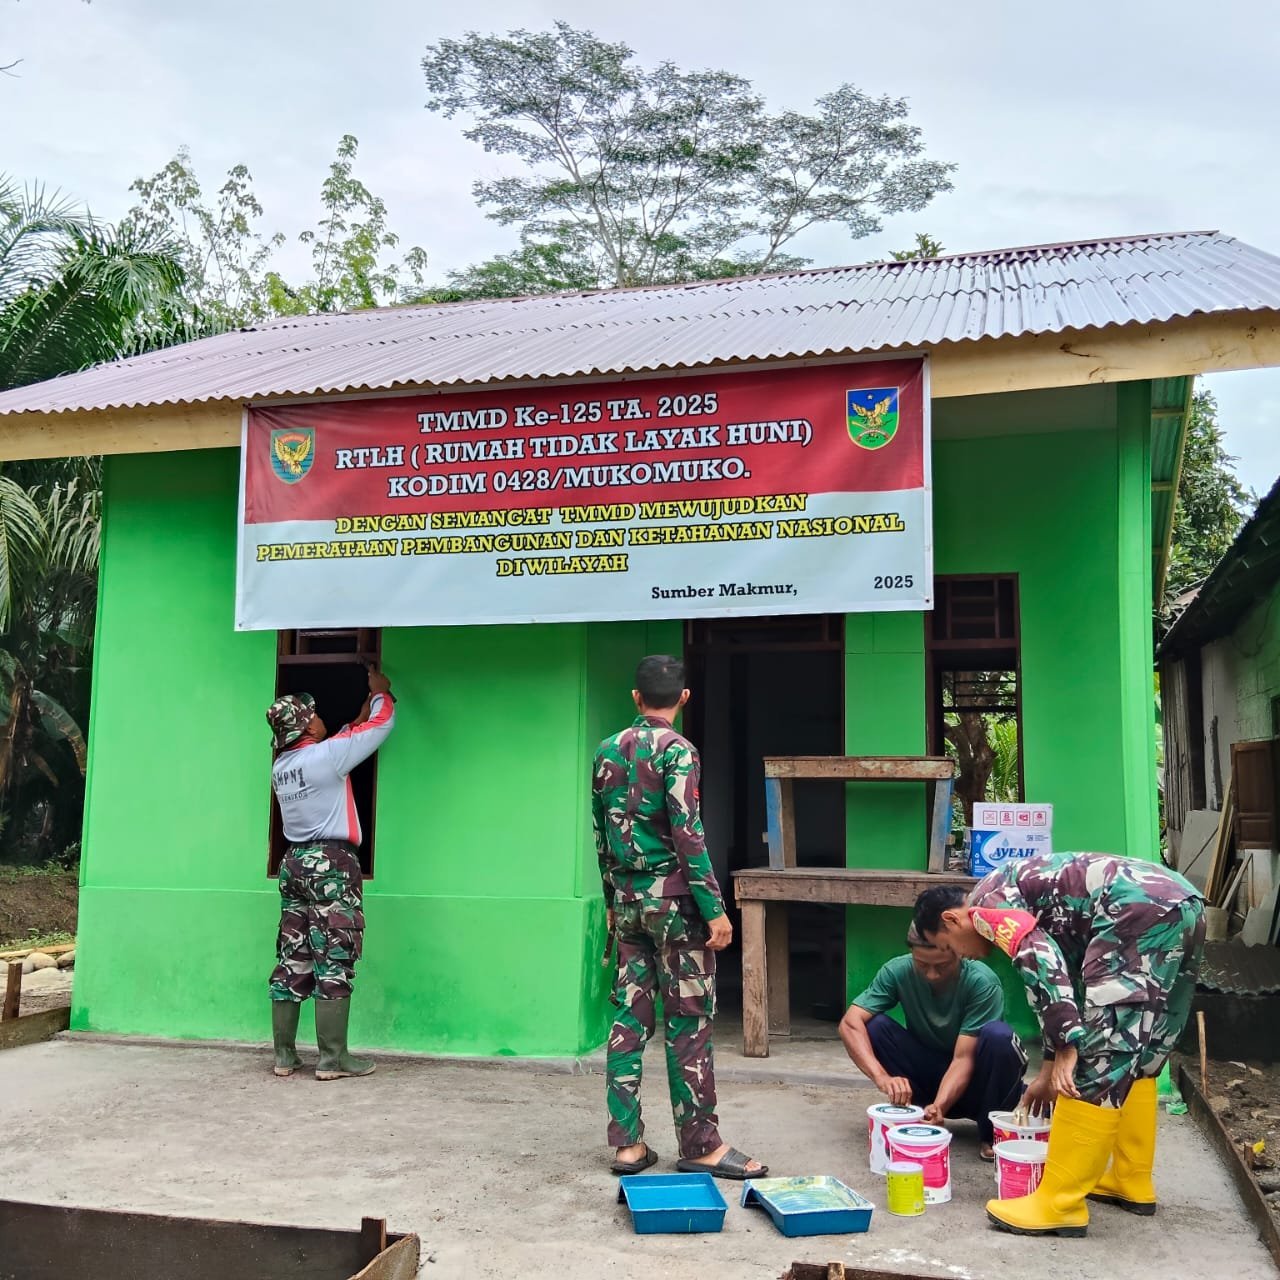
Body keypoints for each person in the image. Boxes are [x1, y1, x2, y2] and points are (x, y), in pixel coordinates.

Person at [915, 851, 1205, 1237]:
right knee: (1143, 1049)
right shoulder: (1019, 890)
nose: (961, 956)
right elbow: (1069, 978)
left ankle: (1059, 1202)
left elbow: (1039, 959)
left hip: (1136, 909)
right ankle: (1130, 1178)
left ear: (952, 919)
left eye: (950, 947)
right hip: (1180, 902)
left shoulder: (986, 907)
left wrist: (1069, 1049)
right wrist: (1048, 1069)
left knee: (1098, 1056)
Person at [592, 654, 767, 1181]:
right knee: (689, 1023)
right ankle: (701, 1145)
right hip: (674, 906)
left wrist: (610, 902)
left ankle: (627, 1145)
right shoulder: (679, 751)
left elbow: (601, 835)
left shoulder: (606, 751)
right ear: (684, 698)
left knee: (628, 1019)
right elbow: (688, 834)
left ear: (635, 698)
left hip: (626, 903)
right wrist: (716, 909)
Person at [265, 665, 396, 1081]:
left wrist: (352, 719)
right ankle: (332, 1059)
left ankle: (284, 1056)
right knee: (334, 958)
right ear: (305, 724)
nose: (321, 717)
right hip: (331, 866)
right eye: (314, 713)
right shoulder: (327, 756)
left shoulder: (283, 766)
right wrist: (381, 693)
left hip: (294, 863)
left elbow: (346, 735)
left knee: (293, 957)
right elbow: (380, 725)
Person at [839, 918, 1026, 1159]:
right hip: (928, 1075)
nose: (932, 974)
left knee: (1000, 1037)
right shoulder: (896, 971)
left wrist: (941, 1107)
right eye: (922, 965)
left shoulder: (982, 981)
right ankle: (919, 1114)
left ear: (960, 954)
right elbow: (849, 1023)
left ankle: (993, 1134)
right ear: (911, 953)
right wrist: (882, 1077)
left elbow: (963, 1059)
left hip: (976, 1086)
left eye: (942, 966)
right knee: (873, 1025)